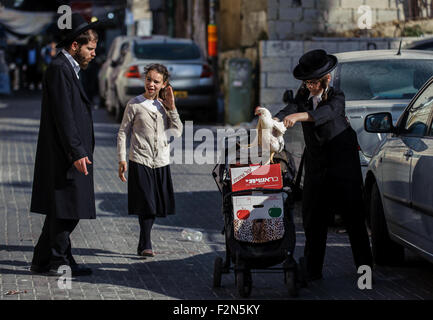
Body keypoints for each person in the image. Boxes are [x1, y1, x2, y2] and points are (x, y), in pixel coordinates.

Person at [273, 49, 373, 281]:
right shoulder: (304, 94)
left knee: (354, 220)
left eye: (313, 82)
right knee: (313, 220)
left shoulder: (338, 97)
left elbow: (327, 113)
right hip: (317, 167)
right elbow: (290, 109)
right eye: (306, 82)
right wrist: (273, 117)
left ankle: (365, 272)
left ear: (326, 79)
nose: (309, 86)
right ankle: (312, 271)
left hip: (343, 167)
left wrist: (299, 117)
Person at [30, 13, 99, 277]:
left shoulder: (69, 68)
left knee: (65, 208)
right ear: (74, 46)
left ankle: (46, 259)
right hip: (65, 153)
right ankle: (57, 261)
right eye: (90, 48)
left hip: (70, 151)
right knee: (69, 209)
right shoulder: (60, 69)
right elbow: (63, 114)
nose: (93, 53)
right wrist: (76, 151)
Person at [117, 63, 183, 257]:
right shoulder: (134, 104)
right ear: (144, 80)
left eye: (156, 81)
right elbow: (123, 132)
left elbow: (177, 132)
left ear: (164, 84)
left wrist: (172, 108)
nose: (151, 84)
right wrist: (122, 159)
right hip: (139, 159)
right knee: (146, 202)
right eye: (149, 80)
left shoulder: (165, 106)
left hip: (161, 161)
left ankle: (143, 242)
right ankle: (146, 243)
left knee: (153, 204)